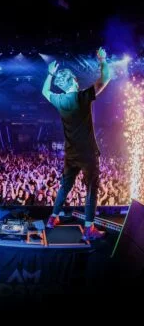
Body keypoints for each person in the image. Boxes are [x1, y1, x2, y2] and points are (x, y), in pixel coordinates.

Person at [42, 47, 111, 240]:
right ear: (73, 80)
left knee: (65, 186)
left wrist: (50, 73)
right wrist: (102, 60)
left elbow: (44, 90)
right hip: (88, 154)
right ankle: (89, 229)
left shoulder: (59, 100)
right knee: (91, 189)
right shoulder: (82, 97)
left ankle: (52, 218)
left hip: (71, 154)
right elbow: (105, 78)